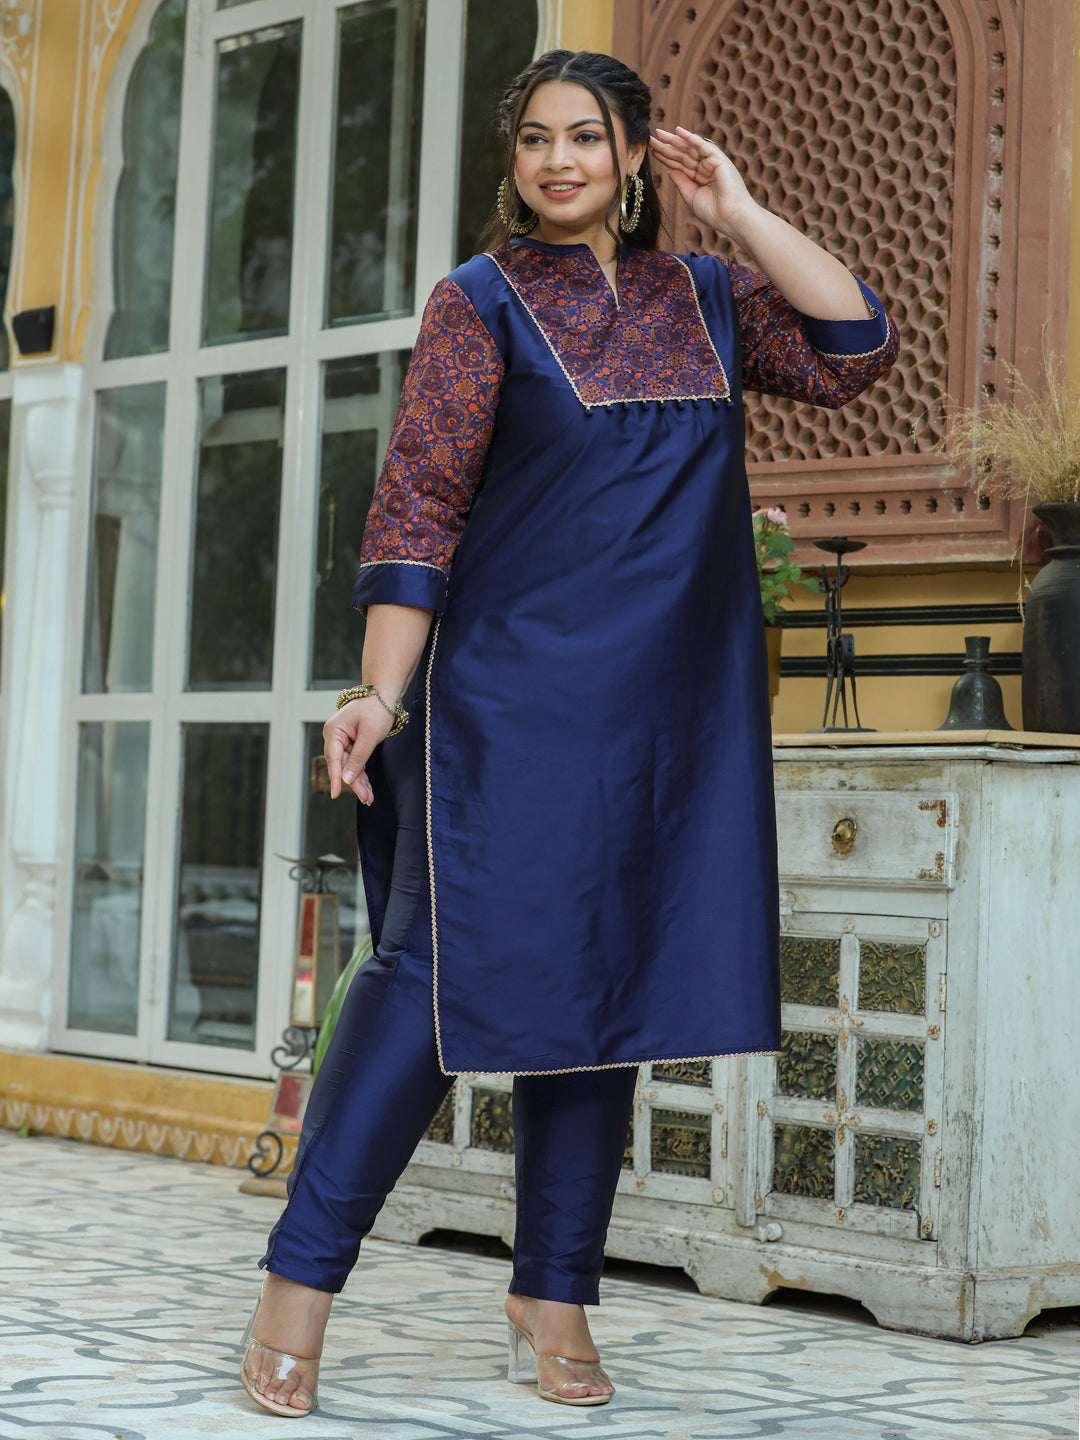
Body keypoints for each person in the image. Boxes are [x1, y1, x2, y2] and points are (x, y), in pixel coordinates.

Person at [239, 48, 899, 1418]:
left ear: (635, 153)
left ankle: (554, 1293)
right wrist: (379, 694)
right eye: (536, 139)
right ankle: (297, 1285)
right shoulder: (479, 301)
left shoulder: (707, 297)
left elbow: (855, 350)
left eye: (586, 138)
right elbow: (420, 506)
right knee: (423, 982)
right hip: (505, 704)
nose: (557, 161)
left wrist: (741, 213)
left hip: (667, 719)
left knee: (606, 996)